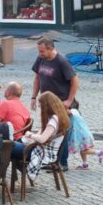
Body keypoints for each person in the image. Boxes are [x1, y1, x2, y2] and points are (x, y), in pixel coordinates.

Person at [30, 36, 79, 171]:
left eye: (42, 51)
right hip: (47, 103)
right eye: (39, 51)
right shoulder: (41, 59)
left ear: (50, 49)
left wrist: (69, 100)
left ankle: (62, 163)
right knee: (48, 131)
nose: (39, 54)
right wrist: (34, 97)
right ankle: (51, 160)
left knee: (62, 133)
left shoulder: (61, 61)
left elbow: (75, 81)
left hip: (61, 104)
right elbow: (37, 77)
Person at [18, 92, 71, 181]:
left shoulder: (53, 121)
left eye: (40, 106)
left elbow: (42, 139)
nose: (40, 108)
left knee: (8, 148)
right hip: (42, 148)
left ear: (47, 106)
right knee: (12, 145)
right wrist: (32, 137)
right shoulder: (59, 116)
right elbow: (41, 134)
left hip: (43, 151)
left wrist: (30, 134)